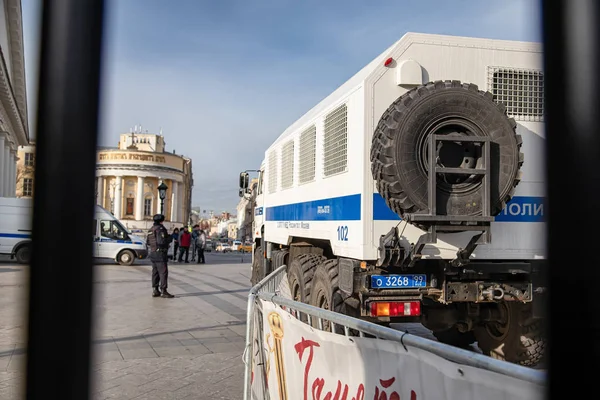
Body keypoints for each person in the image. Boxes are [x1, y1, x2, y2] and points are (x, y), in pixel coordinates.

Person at [147, 214, 174, 298]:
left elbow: (148, 242)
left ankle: (155, 290)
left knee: (155, 272)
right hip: (160, 254)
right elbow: (161, 242)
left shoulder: (151, 229)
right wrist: (169, 239)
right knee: (163, 272)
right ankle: (163, 290)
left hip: (153, 253)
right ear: (162, 221)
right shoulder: (160, 229)